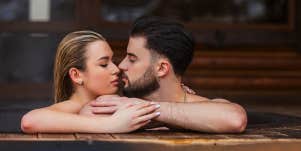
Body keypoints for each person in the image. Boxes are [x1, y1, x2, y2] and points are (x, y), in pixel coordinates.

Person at [80, 16, 248, 133]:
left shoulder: (209, 106)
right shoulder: (121, 104)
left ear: (161, 68)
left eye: (132, 59)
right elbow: (87, 113)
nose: (121, 65)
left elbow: (234, 119)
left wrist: (149, 110)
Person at [20, 31, 161, 133]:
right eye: (104, 64)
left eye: (112, 61)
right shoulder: (73, 107)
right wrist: (111, 124)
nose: (116, 69)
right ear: (76, 75)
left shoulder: (114, 103)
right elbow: (29, 121)